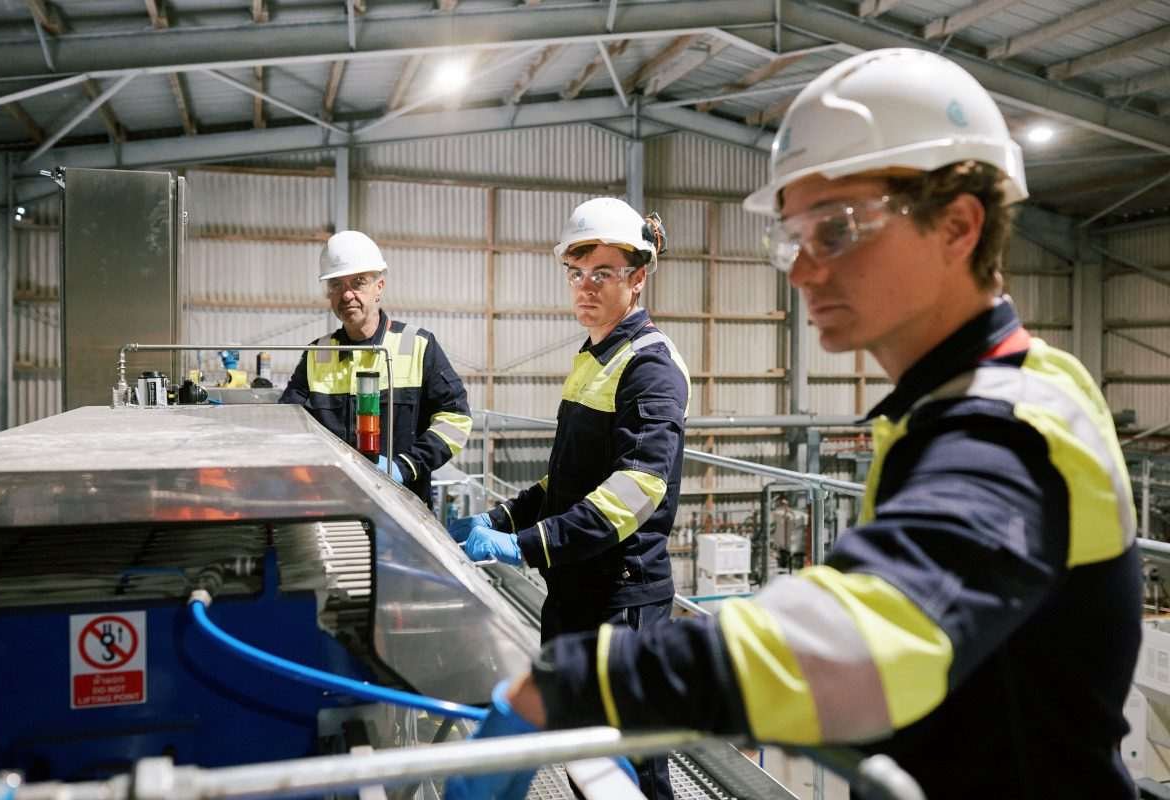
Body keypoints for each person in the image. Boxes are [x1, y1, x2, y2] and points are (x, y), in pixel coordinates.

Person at [446, 48, 1142, 799]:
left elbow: (861, 640)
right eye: (794, 239)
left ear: (958, 226)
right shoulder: (944, 409)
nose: (804, 270)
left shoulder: (1014, 428)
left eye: (836, 230)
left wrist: (578, 682)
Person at [447, 197, 690, 800]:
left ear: (638, 278)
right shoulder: (593, 355)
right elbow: (567, 481)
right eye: (576, 274)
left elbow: (633, 492)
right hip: (576, 590)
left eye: (602, 274)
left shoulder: (650, 367)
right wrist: (501, 514)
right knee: (584, 751)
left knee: (629, 759)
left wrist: (524, 545)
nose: (585, 288)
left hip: (621, 598)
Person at [280, 230, 473, 506]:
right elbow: (290, 423)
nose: (346, 295)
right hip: (334, 506)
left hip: (403, 507)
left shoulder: (417, 345)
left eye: (358, 282)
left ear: (379, 286)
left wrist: (405, 467)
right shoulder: (318, 354)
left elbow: (456, 419)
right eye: (336, 284)